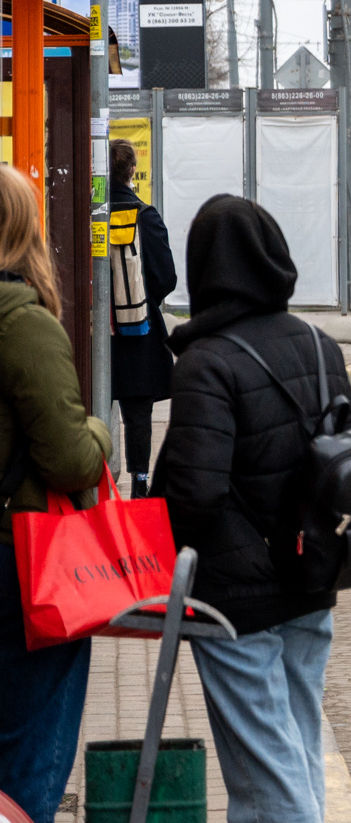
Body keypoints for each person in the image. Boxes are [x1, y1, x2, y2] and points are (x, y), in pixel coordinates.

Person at [153, 196, 351, 823]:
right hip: (310, 580)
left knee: (267, 778)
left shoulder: (206, 363)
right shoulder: (320, 346)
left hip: (234, 605)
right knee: (297, 754)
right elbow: (348, 458)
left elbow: (194, 494)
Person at [0, 164, 112, 823]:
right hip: (20, 568)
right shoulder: (21, 321)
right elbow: (70, 458)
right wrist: (100, 430)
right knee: (27, 761)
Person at [108, 139, 176, 498]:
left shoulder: (90, 216)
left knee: (96, 410)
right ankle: (139, 485)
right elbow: (167, 275)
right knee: (138, 415)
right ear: (132, 170)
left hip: (98, 336)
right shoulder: (146, 216)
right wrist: (143, 302)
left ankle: (98, 484)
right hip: (140, 332)